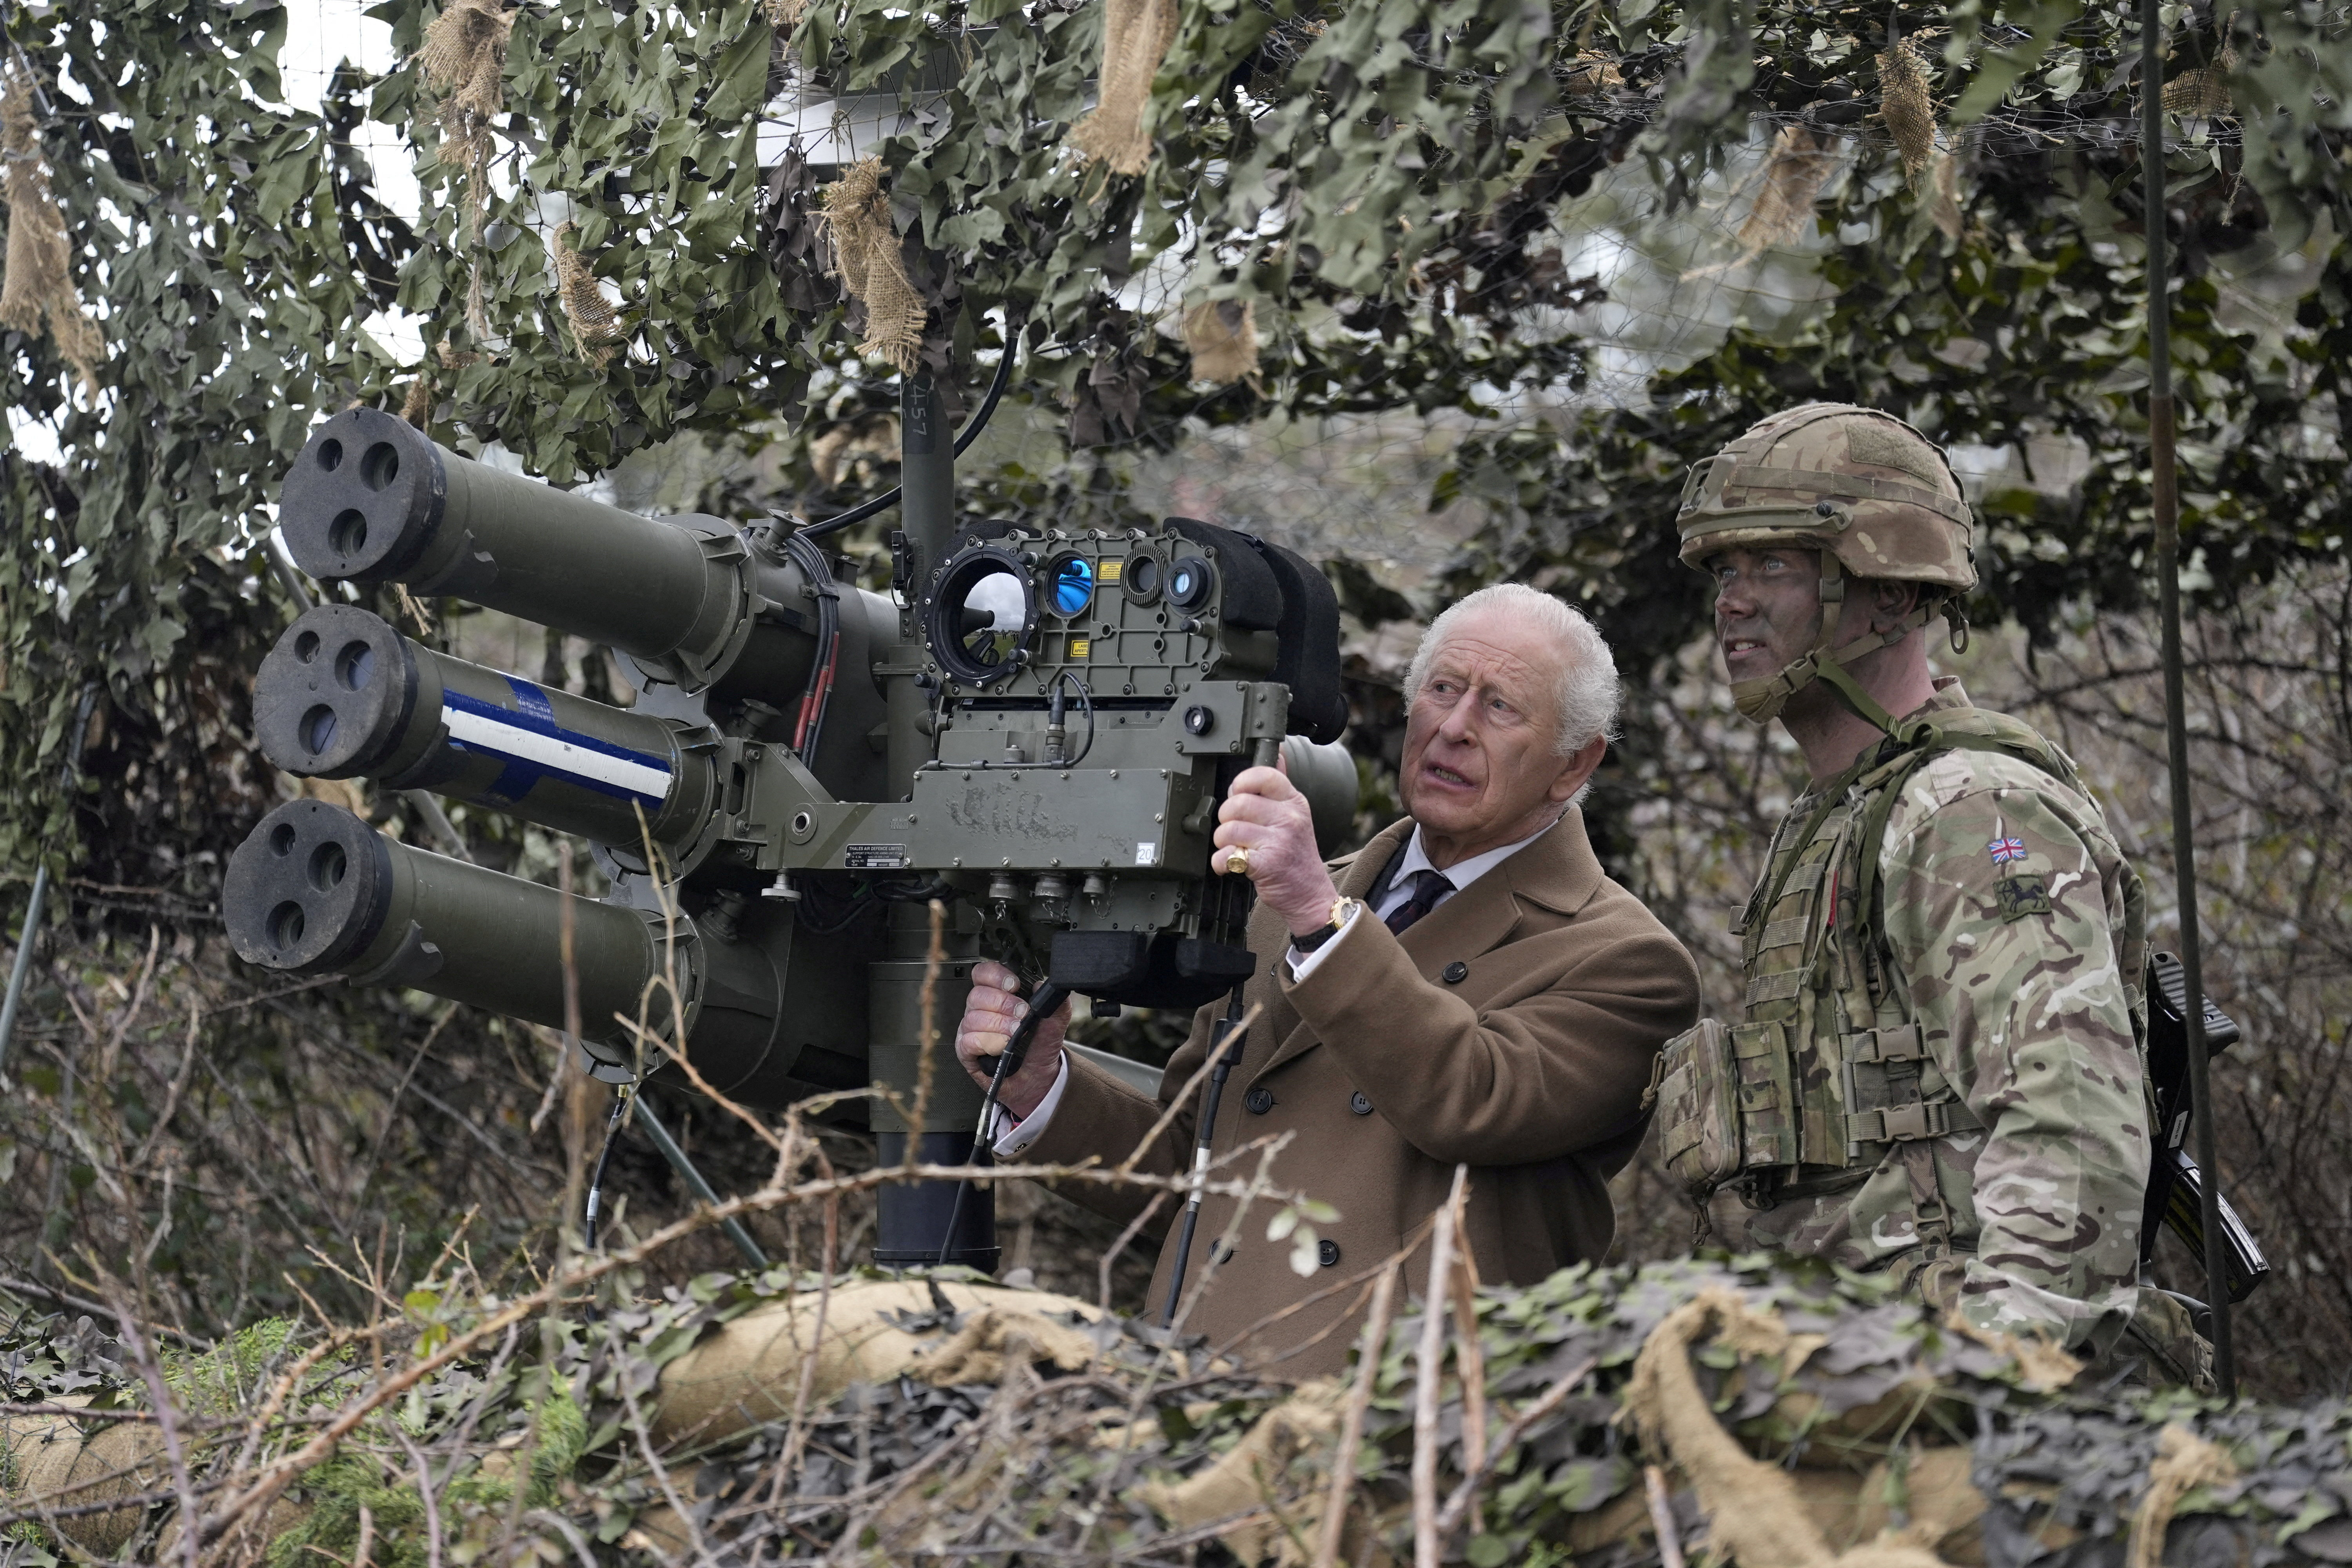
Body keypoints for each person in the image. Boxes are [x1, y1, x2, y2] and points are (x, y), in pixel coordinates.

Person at [952, 584, 1700, 1373]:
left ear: (1574, 763)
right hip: (1195, 1392)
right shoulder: (1290, 903)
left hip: (1400, 1427)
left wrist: (1319, 911)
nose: (1453, 726)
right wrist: (1044, 1092)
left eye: (1500, 706)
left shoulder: (1625, 959)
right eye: (1442, 688)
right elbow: (1193, 1166)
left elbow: (1471, 1098)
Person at [1659, 401, 2196, 1378]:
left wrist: (1989, 1381)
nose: (1732, 600)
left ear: (1896, 595)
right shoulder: (1846, 814)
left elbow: (2073, 1126)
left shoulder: (1967, 809)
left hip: (1969, 1388)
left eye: (1773, 565)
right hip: (1864, 1368)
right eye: (1725, 570)